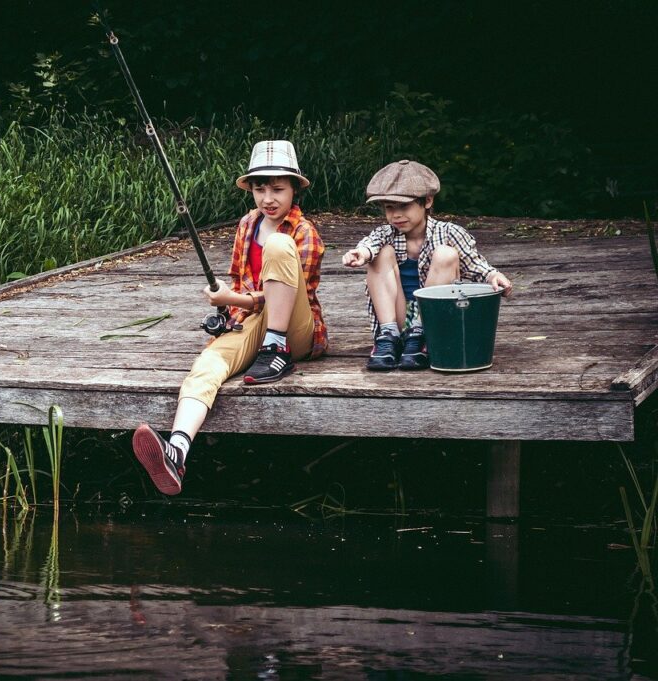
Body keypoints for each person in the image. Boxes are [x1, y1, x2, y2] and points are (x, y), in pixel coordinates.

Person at [131, 140, 328, 495]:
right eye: (260, 188)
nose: (268, 198)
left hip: (295, 331)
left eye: (278, 189)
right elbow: (240, 283)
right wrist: (227, 306)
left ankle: (276, 350)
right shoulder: (247, 225)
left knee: (278, 247)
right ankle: (177, 451)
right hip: (253, 321)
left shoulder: (303, 232)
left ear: (295, 189)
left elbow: (282, 291)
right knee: (206, 366)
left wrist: (233, 297)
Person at [341, 159, 513, 371]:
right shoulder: (385, 233)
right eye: (389, 207)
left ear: (428, 201)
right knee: (380, 253)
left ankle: (420, 335)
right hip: (398, 314)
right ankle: (388, 336)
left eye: (404, 206)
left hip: (433, 319)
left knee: (446, 254)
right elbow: (371, 244)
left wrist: (493, 276)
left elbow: (475, 263)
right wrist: (362, 253)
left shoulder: (449, 232)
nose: (396, 214)